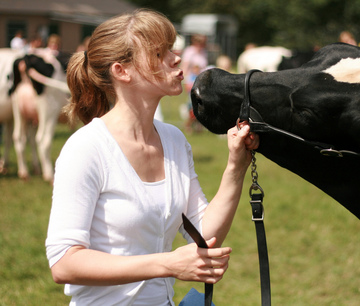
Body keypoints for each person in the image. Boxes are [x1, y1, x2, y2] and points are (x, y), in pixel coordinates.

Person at [45, 9, 259, 305]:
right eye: (159, 53)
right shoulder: (86, 148)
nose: (176, 58)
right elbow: (64, 263)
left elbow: (205, 233)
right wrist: (168, 264)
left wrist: (236, 166)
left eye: (172, 48)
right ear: (122, 71)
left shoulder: (173, 140)